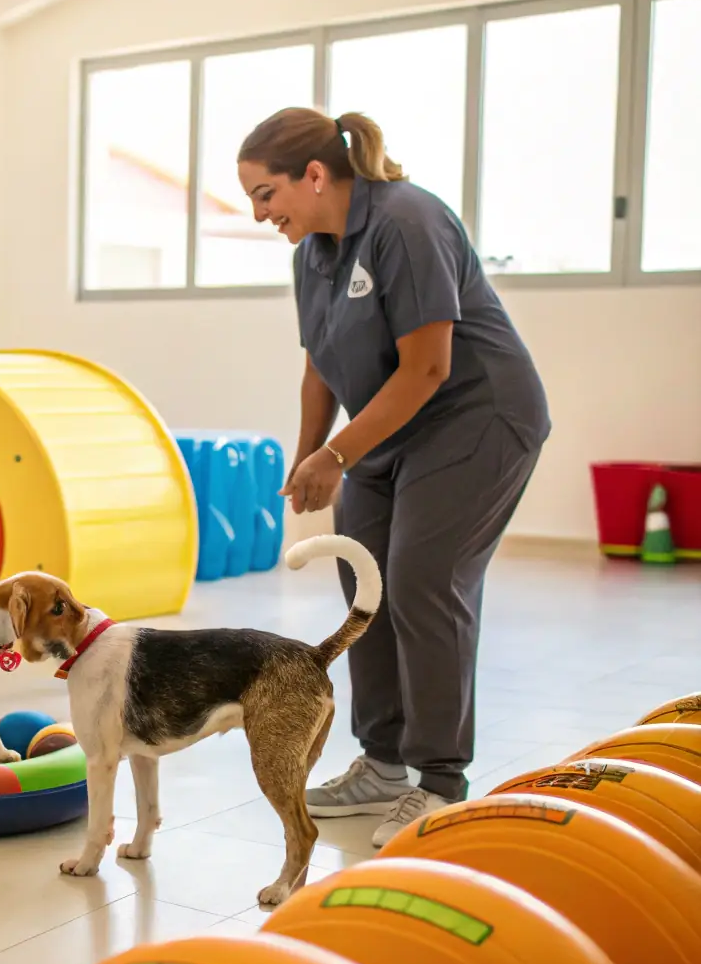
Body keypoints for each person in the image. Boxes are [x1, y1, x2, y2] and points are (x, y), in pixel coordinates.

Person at [236, 108, 551, 847]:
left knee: (421, 581)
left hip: (477, 417)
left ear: (314, 175)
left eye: (263, 193)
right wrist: (307, 450)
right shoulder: (308, 251)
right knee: (364, 583)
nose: (259, 214)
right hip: (389, 432)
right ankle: (381, 762)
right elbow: (318, 361)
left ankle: (439, 779)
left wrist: (336, 455)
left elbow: (430, 367)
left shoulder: (406, 222)